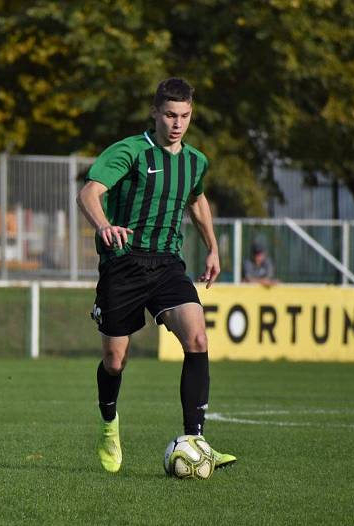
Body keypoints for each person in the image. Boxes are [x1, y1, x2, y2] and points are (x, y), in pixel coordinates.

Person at [77, 77, 236, 473]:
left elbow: (197, 201)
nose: (177, 123)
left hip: (167, 263)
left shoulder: (195, 161)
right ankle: (109, 425)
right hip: (124, 262)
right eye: (169, 114)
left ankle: (195, 438)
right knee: (115, 361)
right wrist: (103, 226)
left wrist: (213, 247)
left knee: (197, 337)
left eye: (184, 115)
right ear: (155, 113)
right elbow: (89, 193)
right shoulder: (130, 151)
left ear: (191, 115)